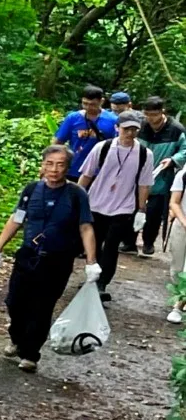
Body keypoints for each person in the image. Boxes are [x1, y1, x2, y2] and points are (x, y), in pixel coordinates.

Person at [0, 146, 97, 372]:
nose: (54, 169)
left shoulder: (76, 195)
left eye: (60, 164)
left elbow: (85, 227)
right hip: (27, 255)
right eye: (49, 164)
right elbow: (16, 219)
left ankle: (30, 354)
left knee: (42, 307)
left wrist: (91, 262)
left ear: (68, 167)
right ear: (43, 165)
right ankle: (17, 339)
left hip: (57, 260)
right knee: (15, 302)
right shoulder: (31, 190)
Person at [78, 111, 154, 302]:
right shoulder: (102, 148)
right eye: (126, 128)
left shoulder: (145, 154)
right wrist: (76, 198)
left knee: (111, 245)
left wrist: (141, 210)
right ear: (117, 128)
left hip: (123, 207)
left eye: (134, 129)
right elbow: (87, 174)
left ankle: (102, 283)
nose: (130, 133)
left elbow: (144, 184)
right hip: (96, 203)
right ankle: (92, 275)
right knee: (95, 243)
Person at [137, 98, 183, 258]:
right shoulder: (141, 126)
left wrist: (173, 159)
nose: (151, 118)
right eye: (147, 114)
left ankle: (148, 242)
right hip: (138, 175)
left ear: (162, 112)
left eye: (154, 114)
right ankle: (128, 240)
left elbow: (185, 150)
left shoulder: (176, 129)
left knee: (154, 213)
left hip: (161, 176)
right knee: (131, 209)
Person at [55, 86, 117, 180]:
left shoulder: (112, 120)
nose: (88, 107)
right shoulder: (73, 118)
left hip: (99, 172)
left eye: (92, 104)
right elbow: (58, 142)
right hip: (74, 169)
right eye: (85, 103)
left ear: (101, 101)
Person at [168, 166, 186, 325]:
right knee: (177, 267)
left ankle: (178, 306)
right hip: (182, 226)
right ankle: (178, 296)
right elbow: (174, 202)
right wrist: (183, 221)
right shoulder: (183, 175)